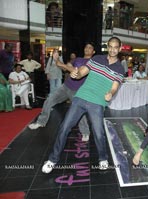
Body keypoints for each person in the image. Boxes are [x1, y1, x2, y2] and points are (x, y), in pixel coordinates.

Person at [41, 37, 124, 174]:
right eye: (110, 46)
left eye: (116, 47)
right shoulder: (97, 59)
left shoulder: (119, 69)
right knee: (64, 127)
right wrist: (75, 73)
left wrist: (111, 93)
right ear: (107, 47)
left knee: (98, 132)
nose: (113, 49)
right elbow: (81, 73)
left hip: (97, 102)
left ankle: (103, 158)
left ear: (120, 48)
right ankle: (53, 160)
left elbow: (115, 87)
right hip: (80, 97)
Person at [28, 43, 95, 142]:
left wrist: (60, 63)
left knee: (79, 111)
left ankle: (85, 132)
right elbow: (67, 67)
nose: (87, 49)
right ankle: (41, 122)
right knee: (49, 100)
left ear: (93, 52)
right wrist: (58, 61)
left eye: (90, 48)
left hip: (78, 91)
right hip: (65, 87)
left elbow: (79, 72)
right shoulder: (77, 59)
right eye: (86, 47)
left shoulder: (92, 63)